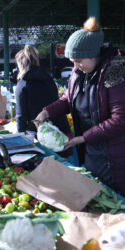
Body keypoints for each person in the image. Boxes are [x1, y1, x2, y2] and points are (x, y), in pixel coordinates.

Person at [35, 17, 125, 196]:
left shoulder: (116, 74)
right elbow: (68, 100)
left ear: (94, 55)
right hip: (91, 152)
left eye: (78, 60)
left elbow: (120, 120)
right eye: (72, 61)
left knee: (115, 202)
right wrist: (46, 112)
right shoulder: (78, 73)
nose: (75, 66)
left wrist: (83, 138)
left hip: (115, 157)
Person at [15, 45, 72, 135]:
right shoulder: (48, 78)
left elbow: (20, 116)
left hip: (40, 132)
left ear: (20, 64)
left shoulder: (22, 84)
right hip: (61, 129)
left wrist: (20, 137)